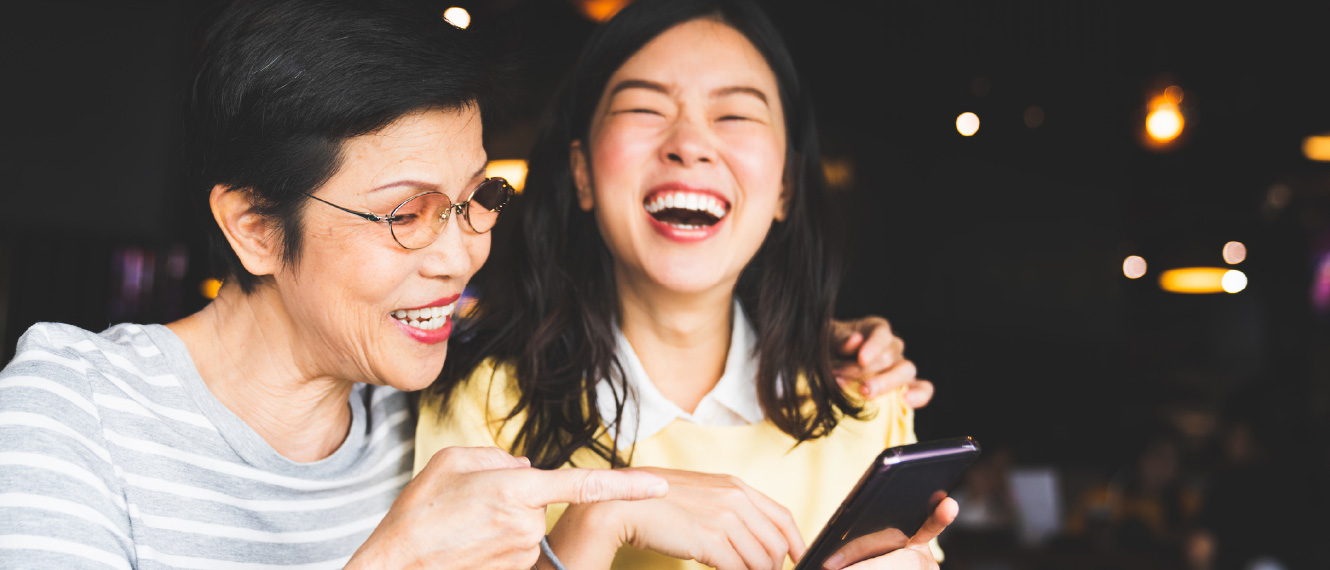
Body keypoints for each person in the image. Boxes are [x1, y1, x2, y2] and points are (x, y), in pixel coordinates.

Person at [0, 0, 672, 567]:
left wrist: (592, 529)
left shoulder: (447, 411)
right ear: (255, 228)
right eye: (407, 214)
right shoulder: (71, 409)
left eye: (477, 198)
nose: (460, 258)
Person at [417, 1, 955, 568]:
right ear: (581, 173)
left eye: (736, 116)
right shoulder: (482, 405)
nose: (689, 143)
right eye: (645, 108)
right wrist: (601, 519)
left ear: (785, 188)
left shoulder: (866, 401)